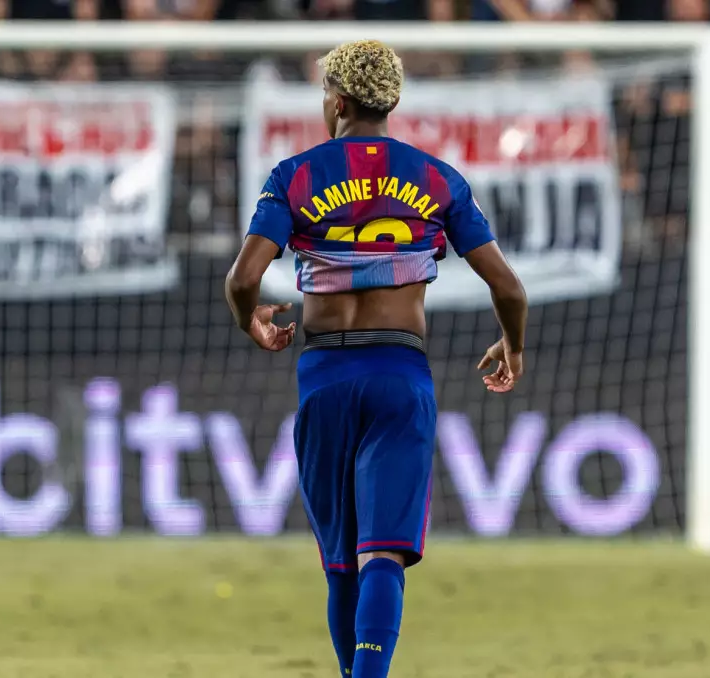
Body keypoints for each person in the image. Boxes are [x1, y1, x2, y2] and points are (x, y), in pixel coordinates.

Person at [224, 40, 528, 678]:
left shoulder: (295, 175)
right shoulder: (437, 179)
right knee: (382, 555)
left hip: (325, 378)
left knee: (340, 564)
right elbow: (508, 288)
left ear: (337, 102)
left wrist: (250, 319)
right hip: (399, 374)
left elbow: (243, 278)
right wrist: (513, 341)